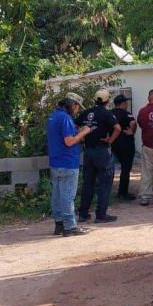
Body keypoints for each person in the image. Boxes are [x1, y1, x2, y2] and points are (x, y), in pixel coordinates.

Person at [47, 93, 92, 236]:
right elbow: (69, 141)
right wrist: (84, 132)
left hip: (55, 161)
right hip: (67, 162)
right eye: (77, 107)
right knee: (67, 195)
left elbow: (63, 137)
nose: (77, 110)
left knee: (57, 194)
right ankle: (70, 226)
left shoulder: (53, 116)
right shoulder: (65, 118)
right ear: (73, 105)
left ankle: (59, 224)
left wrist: (76, 132)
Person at [76, 89, 121, 223]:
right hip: (102, 151)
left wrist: (82, 135)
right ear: (107, 101)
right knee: (105, 183)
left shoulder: (86, 112)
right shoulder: (106, 113)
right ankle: (101, 215)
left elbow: (74, 124)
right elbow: (118, 128)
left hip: (88, 151)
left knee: (88, 183)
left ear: (95, 100)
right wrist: (110, 140)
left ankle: (83, 214)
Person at [111, 95, 137, 201]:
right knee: (125, 169)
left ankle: (108, 191)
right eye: (126, 102)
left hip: (112, 143)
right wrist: (132, 131)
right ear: (123, 103)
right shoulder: (126, 113)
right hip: (126, 144)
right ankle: (123, 193)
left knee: (109, 168)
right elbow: (133, 123)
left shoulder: (110, 113)